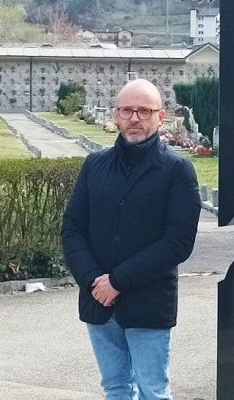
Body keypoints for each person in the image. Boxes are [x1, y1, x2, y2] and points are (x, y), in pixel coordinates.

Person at [61, 78, 201, 400]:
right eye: (127, 110)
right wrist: (94, 280)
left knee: (153, 391)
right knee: (116, 389)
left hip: (148, 301)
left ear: (160, 117)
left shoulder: (177, 170)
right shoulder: (95, 165)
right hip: (99, 301)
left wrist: (117, 281)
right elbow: (72, 228)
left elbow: (178, 242)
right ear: (116, 114)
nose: (134, 118)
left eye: (144, 111)